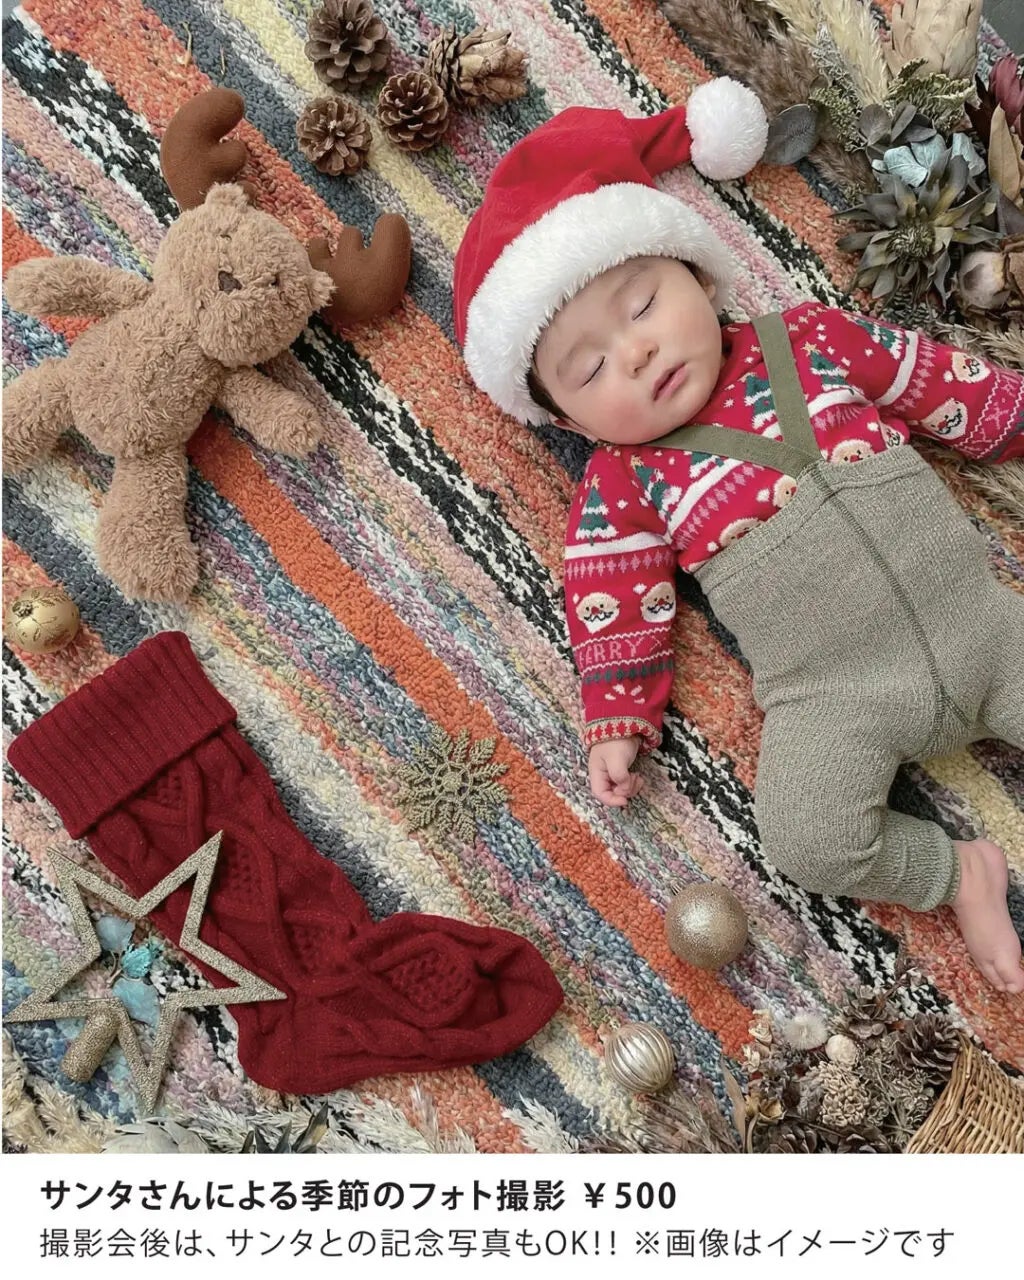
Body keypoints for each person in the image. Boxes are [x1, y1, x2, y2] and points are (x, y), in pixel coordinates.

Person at [453, 80, 1024, 994]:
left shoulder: (808, 338)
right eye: (590, 369)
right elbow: (613, 602)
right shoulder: (623, 482)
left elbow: (933, 382)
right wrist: (617, 721)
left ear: (697, 274)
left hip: (986, 630)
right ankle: (960, 874)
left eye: (643, 305)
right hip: (837, 695)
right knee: (807, 840)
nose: (634, 353)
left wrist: (1011, 414)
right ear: (566, 419)